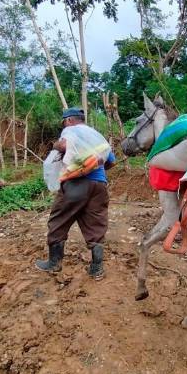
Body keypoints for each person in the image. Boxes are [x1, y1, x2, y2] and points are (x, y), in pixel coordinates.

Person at [36, 107, 116, 280]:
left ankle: (54, 263)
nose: (64, 124)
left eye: (65, 121)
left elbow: (64, 146)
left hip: (75, 184)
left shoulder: (71, 131)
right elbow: (111, 160)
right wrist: (96, 168)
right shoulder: (96, 136)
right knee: (96, 224)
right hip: (99, 185)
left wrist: (56, 145)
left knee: (58, 220)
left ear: (70, 120)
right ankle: (97, 269)